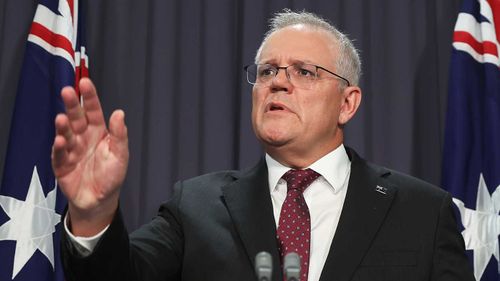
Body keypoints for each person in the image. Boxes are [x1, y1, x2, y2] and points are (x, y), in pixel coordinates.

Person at [53, 10, 474, 281]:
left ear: (348, 103)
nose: (278, 81)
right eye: (268, 70)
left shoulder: (423, 212)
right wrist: (93, 214)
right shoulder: (196, 206)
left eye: (305, 72)